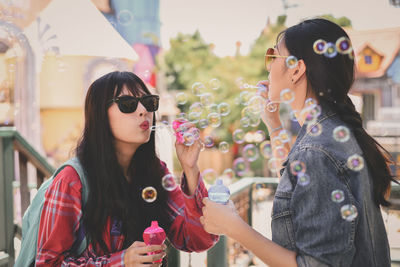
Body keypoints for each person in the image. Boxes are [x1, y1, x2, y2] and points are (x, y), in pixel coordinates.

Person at [201, 18, 396, 267]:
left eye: (273, 56)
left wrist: (233, 227)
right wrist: (273, 124)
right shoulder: (331, 131)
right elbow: (298, 179)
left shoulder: (317, 149)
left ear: (296, 69)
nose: (268, 67)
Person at [36, 71, 218, 266]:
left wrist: (190, 168)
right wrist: (120, 262)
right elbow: (48, 263)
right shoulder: (72, 180)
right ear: (100, 115)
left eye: (149, 102)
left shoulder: (155, 172)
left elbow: (198, 239)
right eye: (128, 104)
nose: (143, 110)